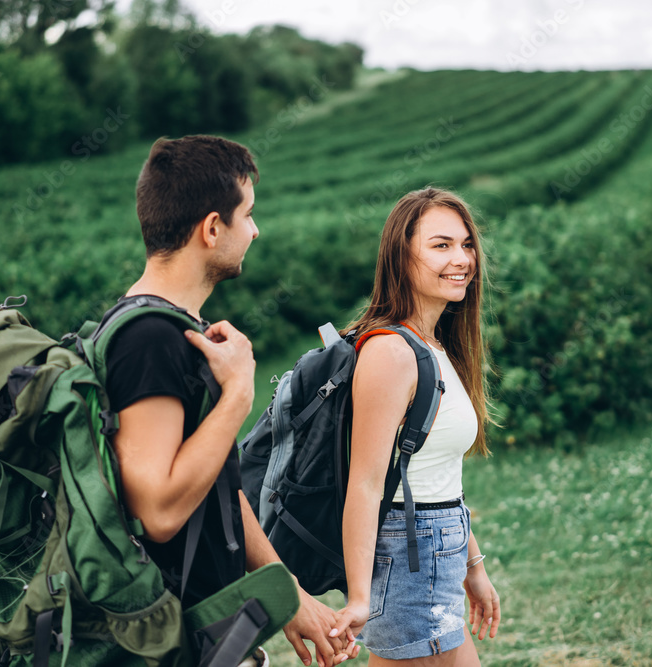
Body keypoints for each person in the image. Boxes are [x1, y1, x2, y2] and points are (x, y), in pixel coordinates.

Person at [104, 135, 358, 667]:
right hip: (158, 640)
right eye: (248, 215)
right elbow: (159, 511)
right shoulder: (147, 340)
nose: (256, 230)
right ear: (212, 227)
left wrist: (287, 597)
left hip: (205, 634)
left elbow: (215, 485)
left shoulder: (180, 331)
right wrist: (239, 395)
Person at [330, 188, 501, 665]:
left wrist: (473, 568)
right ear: (401, 257)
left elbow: (436, 479)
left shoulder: (435, 347)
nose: (462, 258)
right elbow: (365, 484)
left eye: (466, 244)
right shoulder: (391, 353)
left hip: (432, 554)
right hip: (409, 563)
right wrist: (360, 598)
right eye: (440, 245)